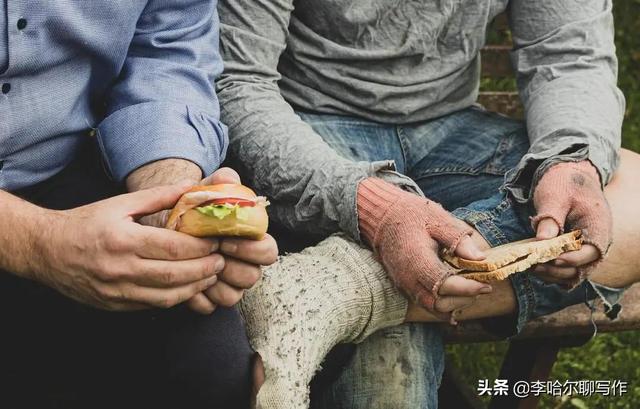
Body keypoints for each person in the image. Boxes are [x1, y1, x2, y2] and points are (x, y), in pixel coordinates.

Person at [217, 0, 640, 407]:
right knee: (392, 376)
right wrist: (376, 209)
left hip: (453, 130)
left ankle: (331, 289)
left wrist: (570, 165)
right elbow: (237, 81)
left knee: (631, 197)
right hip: (308, 125)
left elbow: (569, 55)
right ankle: (365, 287)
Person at [0, 2, 277, 408]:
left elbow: (167, 45)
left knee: (211, 371)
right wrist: (37, 242)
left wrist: (171, 203)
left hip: (61, 167)